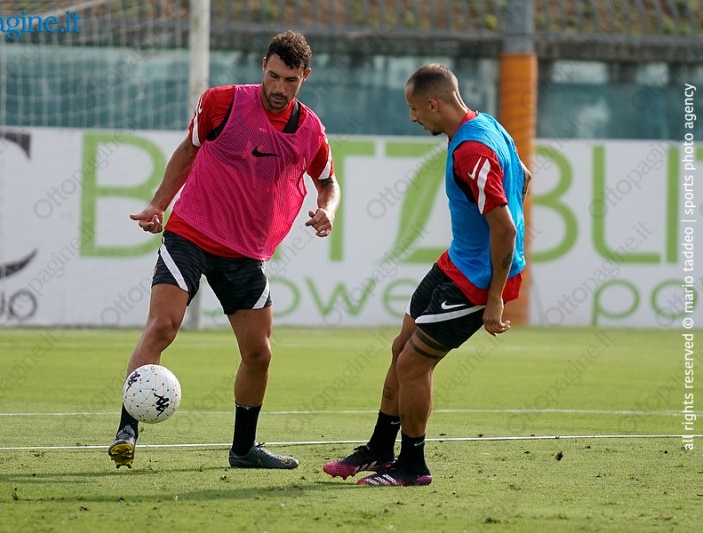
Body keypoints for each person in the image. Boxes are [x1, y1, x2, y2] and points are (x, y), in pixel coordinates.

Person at [108, 30, 340, 469]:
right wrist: (158, 205)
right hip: (190, 235)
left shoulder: (309, 130)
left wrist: (328, 210)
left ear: (305, 77)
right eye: (273, 76)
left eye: (290, 80)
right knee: (162, 327)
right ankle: (127, 430)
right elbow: (188, 150)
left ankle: (244, 450)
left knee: (259, 353)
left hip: (245, 253)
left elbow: (328, 181)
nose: (279, 88)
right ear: (263, 67)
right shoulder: (222, 102)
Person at [323, 63, 531, 486]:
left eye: (415, 109)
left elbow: (506, 229)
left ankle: (413, 466)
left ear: (434, 104)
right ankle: (380, 449)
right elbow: (524, 176)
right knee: (401, 347)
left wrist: (494, 298)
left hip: (478, 280)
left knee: (414, 364)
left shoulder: (471, 151)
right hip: (457, 261)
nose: (413, 117)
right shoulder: (486, 124)